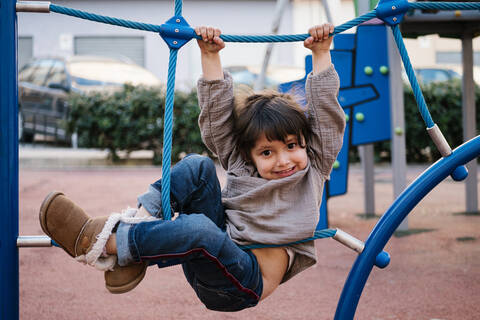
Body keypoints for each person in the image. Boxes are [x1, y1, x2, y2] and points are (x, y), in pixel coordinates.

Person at [38, 23, 345, 312]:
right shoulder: (242, 162)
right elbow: (218, 124)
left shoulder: (313, 169)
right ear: (249, 155)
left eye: (292, 146)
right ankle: (140, 224)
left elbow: (328, 120)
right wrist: (209, 55)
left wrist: (320, 53)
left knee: (200, 228)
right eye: (267, 152)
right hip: (210, 255)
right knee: (198, 166)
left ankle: (105, 243)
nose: (283, 160)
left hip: (242, 283)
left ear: (306, 143)